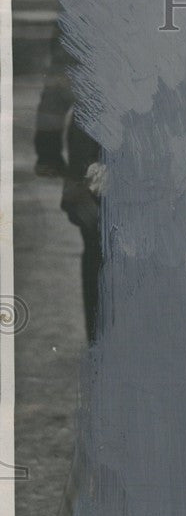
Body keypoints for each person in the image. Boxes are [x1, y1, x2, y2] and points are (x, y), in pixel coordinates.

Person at [34, 26, 103, 344]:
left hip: (91, 146)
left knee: (97, 249)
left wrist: (47, 149)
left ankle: (102, 343)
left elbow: (57, 86)